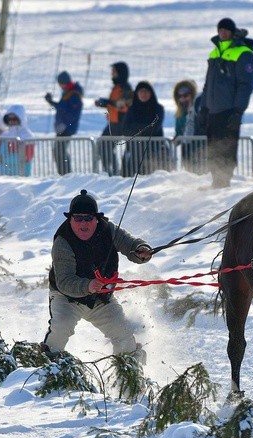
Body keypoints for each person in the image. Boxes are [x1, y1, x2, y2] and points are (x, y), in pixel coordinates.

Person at [42, 190, 152, 363]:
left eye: (88, 218)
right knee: (61, 328)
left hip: (101, 299)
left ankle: (131, 376)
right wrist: (87, 285)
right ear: (70, 219)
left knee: (123, 335)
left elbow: (130, 244)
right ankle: (45, 370)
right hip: (67, 298)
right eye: (78, 218)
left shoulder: (108, 230)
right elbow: (64, 282)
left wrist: (141, 250)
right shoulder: (62, 242)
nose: (83, 223)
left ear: (97, 219)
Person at [200, 17, 253, 188]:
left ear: (232, 32)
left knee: (227, 146)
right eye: (220, 30)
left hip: (229, 110)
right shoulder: (214, 52)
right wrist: (203, 106)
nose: (222, 33)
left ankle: (223, 182)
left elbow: (245, 85)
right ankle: (216, 180)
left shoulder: (244, 53)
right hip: (213, 109)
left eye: (226, 30)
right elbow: (207, 84)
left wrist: (238, 111)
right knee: (213, 145)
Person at [95, 61, 133, 176]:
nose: (112, 74)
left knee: (104, 145)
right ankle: (112, 172)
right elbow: (115, 104)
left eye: (114, 71)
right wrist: (104, 104)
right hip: (113, 122)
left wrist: (107, 102)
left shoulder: (125, 87)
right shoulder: (116, 87)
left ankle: (114, 173)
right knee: (103, 146)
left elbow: (123, 105)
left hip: (121, 123)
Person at [121, 81, 165, 176]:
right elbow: (125, 129)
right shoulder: (131, 109)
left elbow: (154, 128)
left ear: (151, 93)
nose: (143, 94)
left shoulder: (158, 108)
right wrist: (144, 128)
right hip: (134, 153)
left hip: (154, 152)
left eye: (146, 91)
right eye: (141, 91)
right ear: (137, 94)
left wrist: (135, 128)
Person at [44, 71, 83, 175]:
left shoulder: (74, 94)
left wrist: (65, 124)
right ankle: (64, 173)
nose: (60, 86)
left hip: (67, 129)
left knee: (59, 151)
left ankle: (66, 174)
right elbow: (61, 108)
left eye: (61, 83)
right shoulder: (67, 93)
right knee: (59, 151)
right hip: (62, 128)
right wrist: (51, 102)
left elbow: (73, 113)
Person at [171, 79, 200, 172]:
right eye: (180, 96)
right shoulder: (180, 113)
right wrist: (177, 139)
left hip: (198, 147)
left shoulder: (198, 109)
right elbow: (179, 130)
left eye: (186, 95)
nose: (183, 99)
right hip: (186, 148)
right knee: (189, 172)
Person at [0, 105, 35, 176]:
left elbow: (28, 157)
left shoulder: (27, 135)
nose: (12, 121)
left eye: (15, 119)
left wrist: (8, 159)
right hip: (5, 172)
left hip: (22, 171)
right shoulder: (5, 135)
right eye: (9, 119)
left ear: (20, 119)